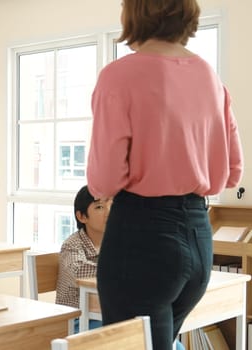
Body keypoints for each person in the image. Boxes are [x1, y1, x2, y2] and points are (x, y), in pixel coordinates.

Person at [87, 1, 243, 349]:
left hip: (142, 237)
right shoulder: (208, 75)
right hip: (199, 236)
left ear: (134, 13)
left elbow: (105, 179)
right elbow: (233, 172)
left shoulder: (119, 75)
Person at [55, 185, 111, 333]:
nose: (109, 212)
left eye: (112, 205)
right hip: (75, 321)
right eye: (99, 207)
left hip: (104, 315)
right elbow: (78, 272)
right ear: (82, 216)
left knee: (171, 343)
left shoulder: (115, 242)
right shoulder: (72, 245)